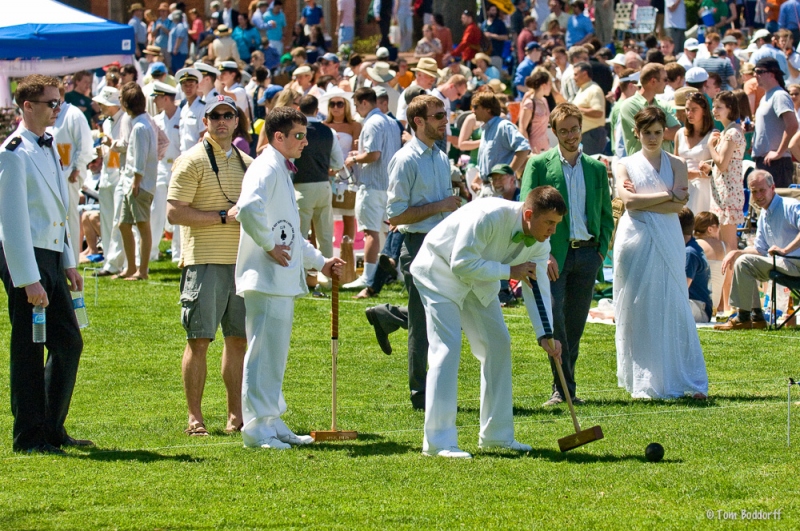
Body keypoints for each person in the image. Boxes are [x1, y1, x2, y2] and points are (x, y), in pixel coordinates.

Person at [413, 188, 567, 458]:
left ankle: (497, 435)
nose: (553, 230)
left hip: (479, 280)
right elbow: (460, 263)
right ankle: (438, 442)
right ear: (529, 214)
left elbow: (537, 284)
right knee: (446, 349)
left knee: (498, 344)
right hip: (439, 271)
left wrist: (546, 334)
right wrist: (510, 271)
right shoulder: (488, 215)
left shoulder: (541, 241)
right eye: (549, 223)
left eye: (557, 224)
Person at [236, 107, 344, 449]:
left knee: (275, 352)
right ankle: (255, 427)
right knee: (262, 351)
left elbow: (292, 233)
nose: (305, 142)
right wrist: (268, 245)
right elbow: (247, 209)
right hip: (264, 276)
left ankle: (270, 418)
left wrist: (321, 262)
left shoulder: (281, 168)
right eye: (298, 136)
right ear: (277, 137)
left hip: (279, 278)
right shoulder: (264, 167)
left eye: (305, 135)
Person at [0, 74, 90, 454]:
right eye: (51, 103)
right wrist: (28, 279)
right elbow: (12, 222)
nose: (57, 108)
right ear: (28, 106)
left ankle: (51, 427)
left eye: (59, 102)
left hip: (51, 254)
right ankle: (29, 436)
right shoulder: (13, 151)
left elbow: (59, 208)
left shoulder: (48, 146)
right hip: (27, 258)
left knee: (68, 342)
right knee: (29, 348)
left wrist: (68, 260)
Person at [365, 95, 459, 410]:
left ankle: (387, 315)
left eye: (444, 115)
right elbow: (396, 215)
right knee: (422, 321)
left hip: (444, 244)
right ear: (418, 121)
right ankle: (421, 393)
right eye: (437, 116)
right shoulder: (405, 160)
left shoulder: (441, 156)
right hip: (418, 245)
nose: (444, 121)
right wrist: (441, 206)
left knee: (445, 315)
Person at [166, 95, 251, 436]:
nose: (221, 121)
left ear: (236, 121)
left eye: (227, 115)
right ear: (205, 122)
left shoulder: (248, 162)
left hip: (242, 263)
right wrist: (219, 217)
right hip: (203, 262)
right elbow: (174, 212)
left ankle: (236, 415)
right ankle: (195, 417)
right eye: (214, 116)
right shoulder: (191, 160)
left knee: (238, 341)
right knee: (199, 340)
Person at [521, 103, 614, 407]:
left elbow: (605, 213)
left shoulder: (597, 168)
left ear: (581, 127)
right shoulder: (539, 165)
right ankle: (563, 390)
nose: (571, 135)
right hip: (553, 257)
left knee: (575, 326)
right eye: (564, 131)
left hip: (588, 255)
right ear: (554, 132)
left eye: (575, 129)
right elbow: (527, 213)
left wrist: (601, 251)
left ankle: (565, 387)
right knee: (556, 324)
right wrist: (542, 253)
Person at [614, 106, 708, 399]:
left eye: (657, 132)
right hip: (635, 237)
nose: (653, 138)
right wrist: (668, 195)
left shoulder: (677, 163)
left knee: (672, 299)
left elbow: (679, 206)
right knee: (638, 303)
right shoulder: (624, 164)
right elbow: (628, 202)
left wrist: (652, 200)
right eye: (647, 133)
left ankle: (680, 376)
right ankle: (645, 379)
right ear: (637, 133)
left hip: (668, 235)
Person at [715, 170, 800, 329]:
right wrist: (736, 252)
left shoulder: (790, 206)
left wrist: (785, 250)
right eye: (754, 191)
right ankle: (756, 317)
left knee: (745, 262)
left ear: (773, 188)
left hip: (796, 263)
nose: (758, 195)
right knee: (743, 262)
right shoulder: (764, 215)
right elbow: (761, 250)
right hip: (783, 263)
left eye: (762, 190)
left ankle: (743, 317)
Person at [342, 88, 402, 290]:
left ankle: (368, 278)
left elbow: (374, 154)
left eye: (358, 105)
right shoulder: (392, 122)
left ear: (365, 103)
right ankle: (396, 275)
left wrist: (353, 159)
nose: (357, 110)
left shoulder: (371, 123)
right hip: (390, 185)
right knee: (388, 233)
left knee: (371, 233)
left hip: (372, 185)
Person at [294, 95, 344, 277]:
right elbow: (338, 163)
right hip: (323, 185)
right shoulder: (328, 131)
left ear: (299, 110)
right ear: (317, 110)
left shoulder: (297, 131)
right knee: (325, 236)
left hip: (301, 186)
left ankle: (299, 276)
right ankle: (329, 277)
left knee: (299, 236)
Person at [117, 82, 158, 281]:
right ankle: (131, 267)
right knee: (123, 225)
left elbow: (140, 158)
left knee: (143, 226)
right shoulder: (140, 125)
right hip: (131, 182)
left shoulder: (141, 127)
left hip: (138, 184)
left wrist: (136, 181)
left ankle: (142, 271)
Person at [708, 91, 746, 258]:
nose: (714, 110)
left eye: (719, 107)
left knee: (730, 247)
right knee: (724, 245)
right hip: (723, 192)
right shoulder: (726, 132)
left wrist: (710, 146)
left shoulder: (732, 133)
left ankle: (733, 283)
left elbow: (723, 164)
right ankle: (726, 283)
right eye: (713, 106)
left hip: (729, 194)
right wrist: (709, 168)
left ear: (730, 109)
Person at [322, 88, 361, 245]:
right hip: (326, 173)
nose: (336, 107)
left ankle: (347, 253)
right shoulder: (323, 125)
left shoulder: (354, 125)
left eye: (340, 103)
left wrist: (344, 165)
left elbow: (355, 150)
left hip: (348, 173)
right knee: (325, 214)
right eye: (332, 104)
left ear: (346, 106)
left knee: (348, 214)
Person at [472, 91, 531, 197]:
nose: (473, 111)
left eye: (476, 107)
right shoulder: (486, 129)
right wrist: (475, 181)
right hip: (487, 190)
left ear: (488, 109)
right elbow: (487, 165)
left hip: (501, 191)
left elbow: (524, 148)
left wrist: (508, 174)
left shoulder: (503, 126)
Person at [752, 57, 799, 188]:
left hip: (777, 163)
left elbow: (793, 125)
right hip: (765, 161)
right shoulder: (766, 96)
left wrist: (779, 152)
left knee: (777, 205)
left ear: (772, 73)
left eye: (759, 71)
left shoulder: (779, 95)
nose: (755, 75)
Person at [619, 63, 682, 155]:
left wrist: (654, 132)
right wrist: (664, 131)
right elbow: (642, 133)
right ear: (653, 81)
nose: (667, 83)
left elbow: (677, 133)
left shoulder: (664, 105)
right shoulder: (629, 105)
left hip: (667, 165)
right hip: (641, 166)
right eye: (665, 79)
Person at [150, 82, 181, 263]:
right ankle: (152, 251)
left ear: (166, 98)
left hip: (178, 168)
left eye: (158, 97)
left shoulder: (182, 117)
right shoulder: (157, 120)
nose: (155, 100)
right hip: (162, 167)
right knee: (157, 210)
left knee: (177, 211)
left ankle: (177, 252)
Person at [674, 91, 715, 215]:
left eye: (694, 109)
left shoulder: (713, 135)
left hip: (704, 187)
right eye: (687, 109)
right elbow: (674, 163)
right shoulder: (680, 133)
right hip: (683, 185)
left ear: (704, 111)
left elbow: (717, 166)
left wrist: (697, 174)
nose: (689, 113)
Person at [679, 208, 715, 323]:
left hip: (699, 308)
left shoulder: (689, 252)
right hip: (696, 305)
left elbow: (682, 288)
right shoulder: (691, 247)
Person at [694, 211, 730, 313]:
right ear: (710, 229)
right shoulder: (726, 247)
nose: (719, 230)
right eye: (718, 227)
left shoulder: (694, 246)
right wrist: (724, 308)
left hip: (697, 302)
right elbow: (727, 283)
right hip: (713, 304)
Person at [570, 61, 607, 155]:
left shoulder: (594, 90)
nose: (574, 78)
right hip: (583, 136)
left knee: (590, 166)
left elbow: (598, 112)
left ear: (585, 74)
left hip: (592, 135)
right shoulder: (583, 89)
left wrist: (578, 110)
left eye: (576, 74)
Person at [518, 70, 552, 155]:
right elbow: (522, 128)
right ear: (544, 85)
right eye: (550, 84)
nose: (551, 87)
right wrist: (529, 150)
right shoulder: (529, 104)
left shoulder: (544, 100)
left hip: (546, 147)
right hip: (534, 150)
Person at [168, 10, 189, 75]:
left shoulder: (180, 26)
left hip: (179, 53)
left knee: (178, 69)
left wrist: (175, 49)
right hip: (176, 53)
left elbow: (180, 38)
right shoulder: (176, 26)